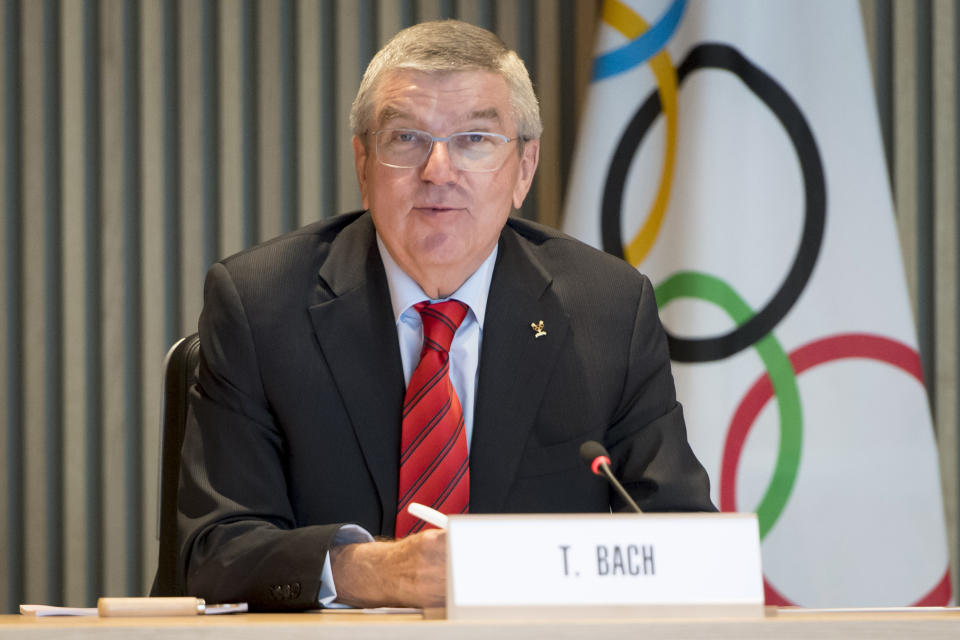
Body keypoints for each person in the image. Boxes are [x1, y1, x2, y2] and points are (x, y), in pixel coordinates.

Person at [177, 19, 714, 612]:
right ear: (363, 163)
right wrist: (375, 570)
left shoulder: (607, 311)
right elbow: (212, 553)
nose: (438, 170)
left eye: (474, 140)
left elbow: (680, 540)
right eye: (405, 139)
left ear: (525, 168)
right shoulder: (261, 306)